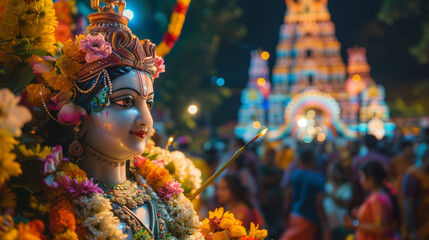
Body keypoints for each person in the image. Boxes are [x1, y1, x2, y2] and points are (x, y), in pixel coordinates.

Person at [5, 1, 203, 239]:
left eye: (148, 103)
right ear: (78, 110)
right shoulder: (50, 197)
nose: (146, 119)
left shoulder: (160, 194)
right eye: (126, 102)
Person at [280, 147, 328, 240]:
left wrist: (286, 213)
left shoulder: (295, 174)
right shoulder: (318, 178)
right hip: (309, 219)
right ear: (314, 160)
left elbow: (288, 196)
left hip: (294, 215)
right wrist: (324, 223)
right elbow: (319, 203)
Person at [344, 161, 397, 240]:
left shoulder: (377, 200)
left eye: (361, 177)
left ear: (371, 179)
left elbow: (380, 228)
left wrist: (354, 224)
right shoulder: (379, 195)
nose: (360, 181)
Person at [402, 148, 429, 240]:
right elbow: (408, 204)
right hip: (419, 223)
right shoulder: (412, 176)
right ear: (423, 159)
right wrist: (413, 231)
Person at [323, 163, 353, 240]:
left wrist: (333, 196)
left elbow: (346, 203)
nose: (331, 174)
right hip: (330, 225)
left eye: (334, 171)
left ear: (341, 173)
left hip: (343, 224)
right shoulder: (327, 186)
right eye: (330, 171)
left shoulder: (347, 187)